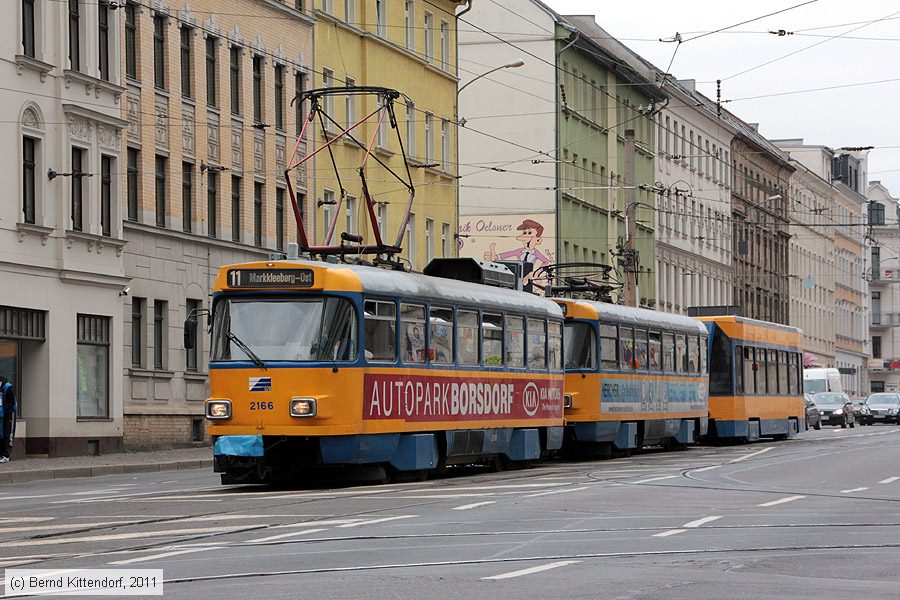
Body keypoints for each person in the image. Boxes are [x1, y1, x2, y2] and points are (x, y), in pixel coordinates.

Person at [0, 376, 17, 463]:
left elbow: (12, 402)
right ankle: (1, 454)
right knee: (1, 434)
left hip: (8, 414)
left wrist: (6, 411)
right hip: (1, 414)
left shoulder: (8, 387)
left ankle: (6, 455)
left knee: (7, 433)